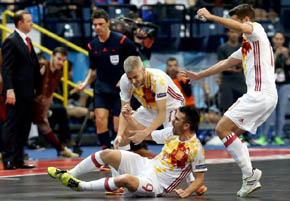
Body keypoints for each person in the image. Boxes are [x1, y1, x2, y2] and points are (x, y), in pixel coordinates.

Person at [183, 4, 277, 197]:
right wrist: (200, 75)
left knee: (221, 129)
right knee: (231, 133)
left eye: (233, 21)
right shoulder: (248, 44)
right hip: (266, 97)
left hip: (259, 95)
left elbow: (242, 28)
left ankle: (249, 176)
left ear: (245, 20)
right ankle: (250, 173)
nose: (230, 27)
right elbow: (225, 63)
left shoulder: (256, 29)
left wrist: (210, 17)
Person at [47, 105, 207, 198]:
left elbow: (199, 179)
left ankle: (80, 186)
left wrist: (186, 193)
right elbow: (147, 134)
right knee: (107, 154)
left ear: (187, 126)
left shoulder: (196, 149)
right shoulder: (172, 132)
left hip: (157, 185)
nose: (173, 120)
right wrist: (130, 119)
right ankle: (68, 173)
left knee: (125, 179)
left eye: (177, 119)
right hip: (146, 165)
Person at [78, 9, 139, 150]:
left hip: (121, 89)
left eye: (100, 24)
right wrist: (85, 83)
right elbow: (93, 70)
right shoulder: (92, 46)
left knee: (119, 126)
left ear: (108, 23)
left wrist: (127, 78)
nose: (98, 27)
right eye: (95, 25)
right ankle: (106, 154)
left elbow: (136, 60)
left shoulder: (122, 41)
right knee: (100, 120)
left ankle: (122, 154)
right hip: (101, 88)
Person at [114, 56, 184, 150]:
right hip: (149, 107)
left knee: (173, 138)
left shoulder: (158, 79)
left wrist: (145, 133)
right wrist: (119, 135)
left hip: (172, 106)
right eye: (130, 78)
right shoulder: (124, 80)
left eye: (135, 77)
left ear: (143, 70)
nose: (133, 81)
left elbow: (161, 114)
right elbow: (124, 112)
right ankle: (122, 162)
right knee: (125, 131)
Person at [1, 10, 42, 170]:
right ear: (20, 23)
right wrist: (9, 90)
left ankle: (19, 158)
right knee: (12, 126)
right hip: (15, 92)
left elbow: (30, 67)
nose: (32, 23)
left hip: (27, 92)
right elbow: (7, 69)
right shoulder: (11, 41)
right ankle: (8, 159)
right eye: (29, 21)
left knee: (24, 126)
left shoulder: (27, 40)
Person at [33, 48, 79, 158]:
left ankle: (61, 149)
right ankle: (10, 153)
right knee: (18, 127)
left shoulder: (59, 73)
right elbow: (30, 83)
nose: (61, 63)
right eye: (59, 59)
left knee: (44, 125)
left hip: (40, 103)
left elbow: (50, 94)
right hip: (29, 101)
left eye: (63, 60)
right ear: (52, 56)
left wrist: (44, 111)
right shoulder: (42, 66)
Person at [258, 32, 290, 145]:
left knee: (281, 112)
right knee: (268, 112)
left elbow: (288, 64)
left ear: (283, 41)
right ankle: (263, 136)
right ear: (273, 39)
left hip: (284, 84)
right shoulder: (267, 50)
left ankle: (278, 136)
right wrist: (276, 54)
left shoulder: (287, 51)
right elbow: (268, 66)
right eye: (277, 38)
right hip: (271, 85)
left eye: (281, 39)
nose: (279, 41)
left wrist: (286, 56)